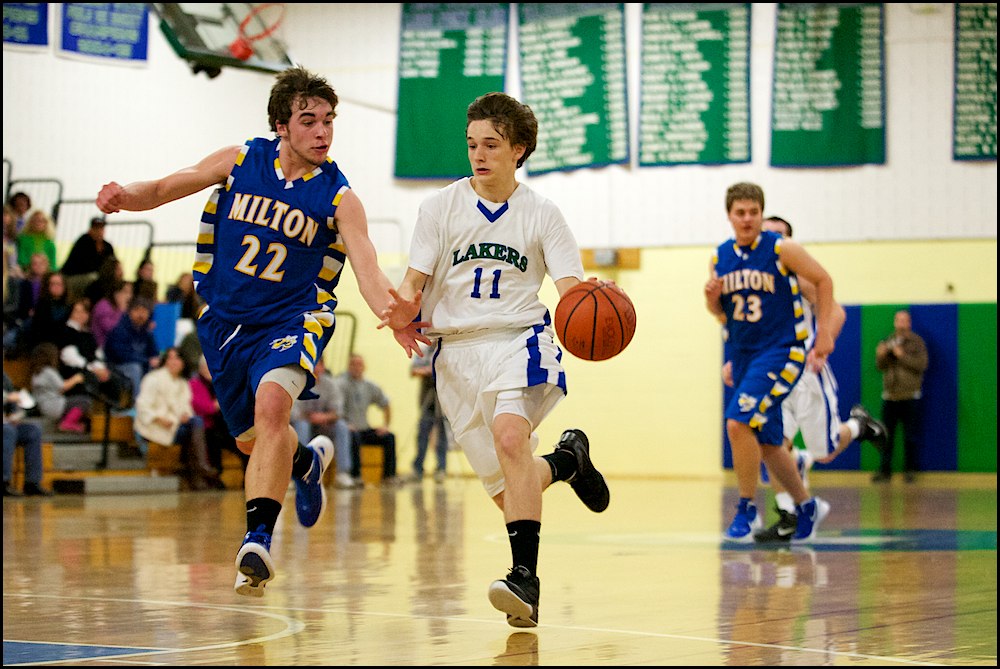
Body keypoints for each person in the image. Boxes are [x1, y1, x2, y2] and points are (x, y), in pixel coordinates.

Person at [95, 65, 426, 597]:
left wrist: (395, 313)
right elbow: (161, 187)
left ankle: (258, 540)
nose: (322, 131)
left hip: (292, 318)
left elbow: (366, 267)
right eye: (309, 120)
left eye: (328, 121)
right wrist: (124, 198)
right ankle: (306, 459)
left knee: (273, 408)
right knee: (252, 443)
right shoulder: (240, 160)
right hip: (225, 321)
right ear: (281, 125)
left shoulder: (341, 198)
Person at [380, 92, 610, 628]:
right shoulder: (438, 207)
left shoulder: (542, 213)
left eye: (490, 145)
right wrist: (398, 312)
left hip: (520, 337)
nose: (478, 155)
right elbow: (413, 283)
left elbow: (572, 289)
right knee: (509, 488)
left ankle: (523, 581)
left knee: (511, 437)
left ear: (518, 150)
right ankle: (567, 463)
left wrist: (597, 295)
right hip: (455, 355)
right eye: (471, 145)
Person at [703, 182, 833, 544]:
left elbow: (823, 281)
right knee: (771, 443)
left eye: (753, 212)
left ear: (762, 213)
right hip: (743, 354)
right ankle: (805, 505)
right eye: (740, 212)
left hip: (781, 350)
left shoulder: (782, 248)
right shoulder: (720, 257)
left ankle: (746, 506)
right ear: (729, 215)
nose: (747, 219)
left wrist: (824, 335)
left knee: (736, 423)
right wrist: (712, 300)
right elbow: (721, 315)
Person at [747, 216, 887, 542]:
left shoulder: (797, 277)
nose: (770, 238)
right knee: (770, 445)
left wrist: (822, 345)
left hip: (805, 374)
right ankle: (789, 514)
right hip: (770, 375)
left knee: (824, 451)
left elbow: (836, 312)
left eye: (778, 234)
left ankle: (858, 426)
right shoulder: (753, 281)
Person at [134, 347, 221, 491]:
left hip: (176, 426)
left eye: (177, 358)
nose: (173, 362)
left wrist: (185, 415)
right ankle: (203, 469)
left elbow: (185, 408)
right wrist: (158, 418)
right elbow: (142, 405)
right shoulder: (153, 379)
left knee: (196, 428)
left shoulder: (182, 383)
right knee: (197, 426)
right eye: (170, 358)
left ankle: (198, 479)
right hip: (156, 425)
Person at [874, 309, 929, 483]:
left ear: (909, 323)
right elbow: (881, 367)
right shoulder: (888, 341)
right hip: (890, 395)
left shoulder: (916, 342)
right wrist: (881, 356)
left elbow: (921, 365)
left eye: (904, 320)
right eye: (898, 320)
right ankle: (884, 471)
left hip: (909, 396)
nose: (901, 324)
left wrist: (902, 355)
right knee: (886, 435)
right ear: (895, 322)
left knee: (910, 436)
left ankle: (910, 470)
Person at [290, 357, 359, 489]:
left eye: (318, 365)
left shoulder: (331, 385)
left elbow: (338, 412)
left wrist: (323, 417)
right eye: (313, 365)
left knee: (342, 426)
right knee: (302, 426)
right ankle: (300, 473)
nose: (316, 368)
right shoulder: (297, 381)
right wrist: (311, 417)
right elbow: (294, 413)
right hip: (303, 424)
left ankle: (343, 474)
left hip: (325, 426)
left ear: (323, 367)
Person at [337, 353, 399, 485]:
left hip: (364, 428)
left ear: (364, 367)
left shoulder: (370, 386)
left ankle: (389, 476)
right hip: (349, 427)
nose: (356, 367)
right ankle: (356, 476)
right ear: (348, 366)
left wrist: (385, 425)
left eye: (359, 364)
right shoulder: (340, 384)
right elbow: (336, 408)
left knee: (389, 437)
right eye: (353, 364)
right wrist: (344, 423)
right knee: (353, 436)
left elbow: (386, 403)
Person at [189, 354, 247, 486]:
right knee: (214, 441)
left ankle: (248, 480)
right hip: (207, 428)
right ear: (202, 367)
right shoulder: (195, 384)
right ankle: (215, 479)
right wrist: (221, 403)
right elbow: (206, 408)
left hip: (226, 427)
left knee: (244, 441)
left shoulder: (222, 382)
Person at [3, 371, 54, 496]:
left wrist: (16, 414)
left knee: (33, 430)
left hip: (6, 422)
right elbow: (9, 397)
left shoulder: (5, 377)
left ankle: (32, 483)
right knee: (8, 431)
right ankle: (4, 482)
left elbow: (12, 404)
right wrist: (7, 397)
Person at [102, 296, 161, 401]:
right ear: (129, 312)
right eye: (137, 310)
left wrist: (155, 359)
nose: (141, 315)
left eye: (144, 311)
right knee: (135, 368)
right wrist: (147, 361)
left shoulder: (147, 331)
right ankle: (137, 404)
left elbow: (154, 352)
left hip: (141, 363)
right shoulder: (120, 330)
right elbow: (122, 355)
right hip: (117, 366)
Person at [408, 340, 450, 483]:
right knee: (423, 433)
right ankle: (418, 468)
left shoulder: (447, 348)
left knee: (442, 435)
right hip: (427, 397)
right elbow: (413, 370)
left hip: (444, 399)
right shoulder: (423, 350)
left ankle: (441, 468)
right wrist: (430, 371)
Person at [27, 342, 91, 433]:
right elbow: (62, 386)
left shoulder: (36, 373)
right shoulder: (49, 371)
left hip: (44, 407)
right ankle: (67, 423)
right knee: (84, 401)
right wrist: (76, 378)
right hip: (55, 406)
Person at [60, 217, 116, 301]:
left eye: (101, 228)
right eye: (96, 228)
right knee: (93, 278)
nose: (99, 231)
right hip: (74, 277)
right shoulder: (83, 242)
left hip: (96, 278)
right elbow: (82, 265)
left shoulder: (107, 246)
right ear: (91, 229)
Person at [90, 279, 133, 350]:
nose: (129, 296)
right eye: (125, 292)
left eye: (130, 292)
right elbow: (112, 330)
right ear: (116, 293)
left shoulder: (125, 308)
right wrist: (122, 310)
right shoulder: (103, 305)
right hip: (103, 348)